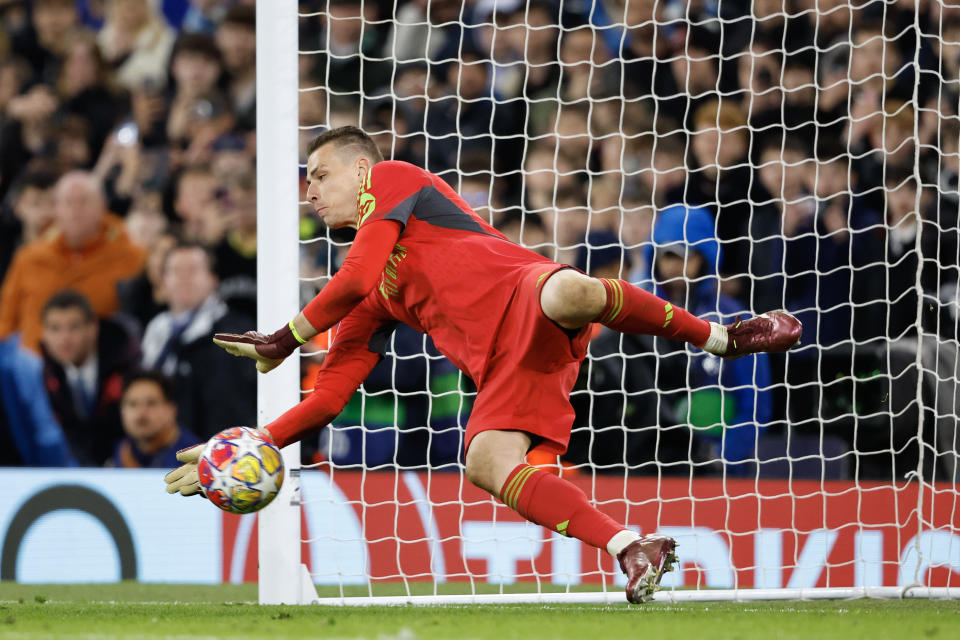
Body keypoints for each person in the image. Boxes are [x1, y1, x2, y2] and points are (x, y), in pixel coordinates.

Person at [164, 126, 802, 604]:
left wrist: (283, 337)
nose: (310, 191)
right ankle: (631, 548)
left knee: (569, 289)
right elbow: (330, 398)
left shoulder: (394, 178)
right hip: (505, 365)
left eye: (319, 175)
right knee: (486, 464)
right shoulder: (368, 299)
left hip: (526, 293)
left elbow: (356, 270)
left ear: (361, 170)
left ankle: (722, 336)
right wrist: (253, 443)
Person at [0, 171, 145, 353]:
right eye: (68, 203)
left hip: (104, 367)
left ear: (103, 206)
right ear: (57, 210)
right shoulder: (29, 258)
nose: (76, 211)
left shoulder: (132, 257)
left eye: (84, 201)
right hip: (32, 368)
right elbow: (5, 322)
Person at [140, 241, 256, 438]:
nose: (184, 279)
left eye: (193, 270)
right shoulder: (156, 329)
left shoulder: (235, 335)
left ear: (213, 279)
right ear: (163, 281)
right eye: (176, 271)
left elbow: (232, 407)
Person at [40, 289, 139, 466]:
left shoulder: (129, 366)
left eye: (73, 327)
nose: (64, 338)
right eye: (55, 329)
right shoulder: (44, 373)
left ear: (93, 328)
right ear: (44, 334)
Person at [112, 370, 200, 468]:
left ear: (171, 410)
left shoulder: (195, 458)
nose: (141, 413)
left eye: (151, 403)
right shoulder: (121, 450)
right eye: (132, 404)